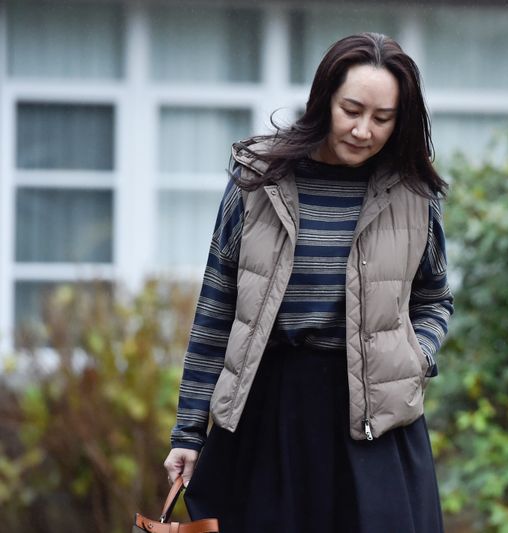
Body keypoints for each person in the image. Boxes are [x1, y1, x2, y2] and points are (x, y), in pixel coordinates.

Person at [163, 32, 454, 532]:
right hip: (270, 415)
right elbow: (216, 307)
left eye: (383, 119)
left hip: (376, 422)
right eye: (352, 110)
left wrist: (416, 354)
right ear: (324, 101)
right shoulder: (258, 181)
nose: (364, 130)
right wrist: (189, 431)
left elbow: (434, 300)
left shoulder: (413, 195)